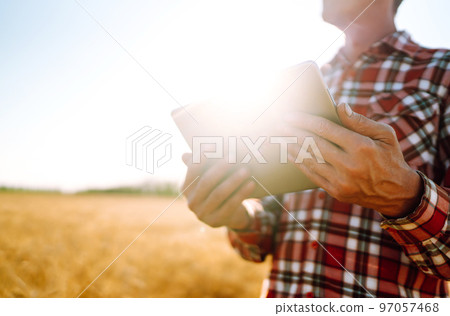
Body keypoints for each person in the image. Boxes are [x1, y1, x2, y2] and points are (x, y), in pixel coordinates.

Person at [181, 0, 450, 297]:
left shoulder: (443, 72)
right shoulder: (298, 86)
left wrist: (404, 196)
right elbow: (267, 233)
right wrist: (237, 215)